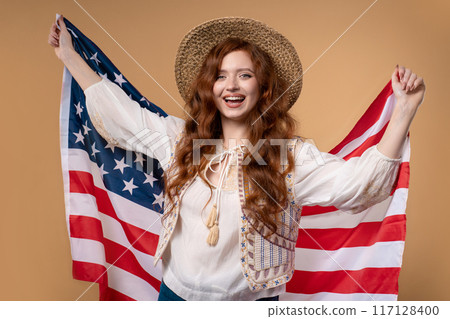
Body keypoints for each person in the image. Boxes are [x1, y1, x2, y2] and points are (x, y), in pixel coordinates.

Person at [48, 16, 425, 301]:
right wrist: (69, 55)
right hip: (174, 299)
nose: (231, 85)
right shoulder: (179, 140)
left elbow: (360, 185)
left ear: (262, 89)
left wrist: (404, 110)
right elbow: (121, 115)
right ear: (209, 89)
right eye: (221, 76)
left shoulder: (288, 158)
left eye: (244, 75)